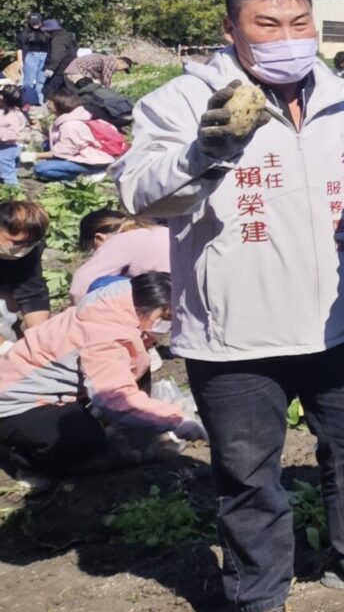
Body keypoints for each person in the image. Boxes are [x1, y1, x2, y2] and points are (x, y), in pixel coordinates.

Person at [116, 0, 344, 612]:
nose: (287, 35)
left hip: (340, 321)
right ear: (231, 28)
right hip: (236, 334)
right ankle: (261, 596)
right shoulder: (186, 102)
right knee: (250, 474)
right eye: (267, 23)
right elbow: (139, 194)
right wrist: (202, 154)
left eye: (299, 21)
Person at [0, 274, 202, 475]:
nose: (167, 325)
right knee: (81, 438)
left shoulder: (117, 302)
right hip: (15, 401)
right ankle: (22, 462)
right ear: (142, 309)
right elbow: (116, 397)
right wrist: (176, 419)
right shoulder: (105, 337)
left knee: (136, 368)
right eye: (164, 318)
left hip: (44, 384)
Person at [69, 213, 171, 301]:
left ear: (99, 238)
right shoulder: (162, 231)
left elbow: (78, 289)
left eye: (94, 249)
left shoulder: (118, 241)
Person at [34, 90, 121, 180]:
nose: (47, 104)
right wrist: (41, 129)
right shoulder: (71, 116)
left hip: (90, 161)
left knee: (40, 169)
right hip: (81, 153)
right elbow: (61, 137)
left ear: (60, 103)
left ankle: (84, 177)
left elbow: (65, 151)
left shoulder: (70, 125)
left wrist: (34, 155)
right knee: (46, 145)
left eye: (50, 102)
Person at [0, 199, 53, 339]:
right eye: (17, 242)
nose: (24, 248)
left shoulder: (31, 249)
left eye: (30, 243)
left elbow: (32, 291)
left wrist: (39, 338)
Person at [17, 17, 50, 106]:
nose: (35, 25)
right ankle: (26, 101)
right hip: (31, 56)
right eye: (33, 22)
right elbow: (19, 48)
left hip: (44, 56)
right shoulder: (24, 33)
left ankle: (38, 100)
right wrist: (20, 61)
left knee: (41, 80)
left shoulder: (46, 32)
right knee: (29, 81)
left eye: (37, 22)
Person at [0, 85, 26, 184]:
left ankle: (14, 192)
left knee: (8, 174)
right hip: (9, 147)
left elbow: (14, 133)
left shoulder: (9, 115)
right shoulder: (16, 112)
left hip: (6, 148)